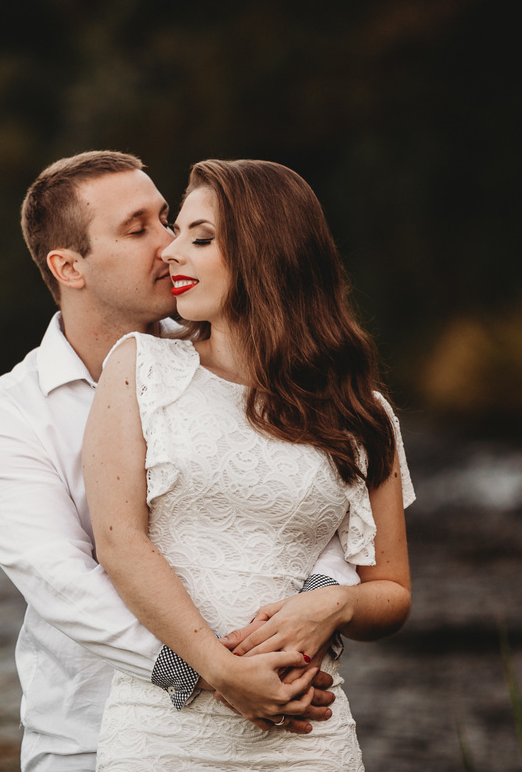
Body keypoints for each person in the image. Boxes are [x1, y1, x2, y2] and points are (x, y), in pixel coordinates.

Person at [0, 151, 365, 772]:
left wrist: (309, 617)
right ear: (69, 266)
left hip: (276, 714)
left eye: (167, 219)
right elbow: (64, 583)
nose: (169, 243)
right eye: (137, 229)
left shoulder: (232, 362)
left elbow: (312, 500)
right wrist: (215, 671)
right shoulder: (10, 418)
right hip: (87, 736)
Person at [83, 159, 415, 770]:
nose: (170, 253)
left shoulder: (359, 413)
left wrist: (335, 606)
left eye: (200, 238)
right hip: (164, 732)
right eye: (176, 232)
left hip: (307, 735)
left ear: (270, 253)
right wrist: (220, 670)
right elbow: (119, 543)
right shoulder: (140, 369)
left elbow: (391, 591)